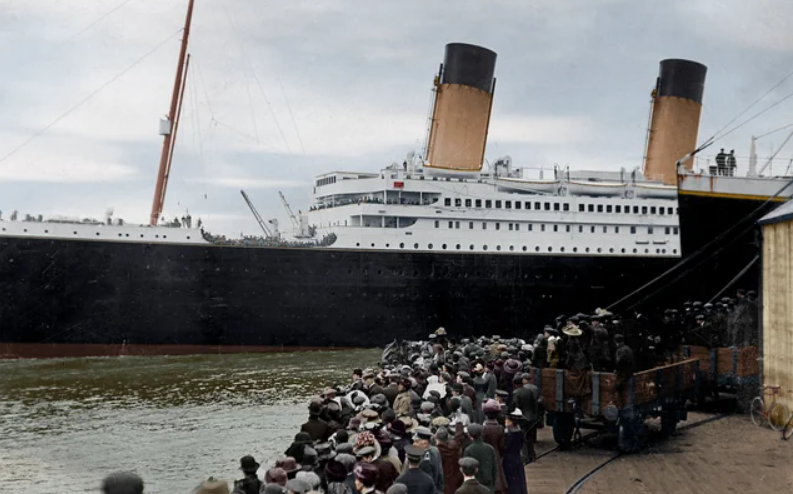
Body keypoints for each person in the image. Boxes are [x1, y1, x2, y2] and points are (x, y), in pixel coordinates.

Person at [462, 424, 499, 493]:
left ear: (470, 436)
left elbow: (466, 470)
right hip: (489, 482)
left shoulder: (468, 450)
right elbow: (494, 469)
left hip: (474, 485)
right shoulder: (490, 448)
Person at [481, 400, 507, 494]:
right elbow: (502, 446)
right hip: (496, 453)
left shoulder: (483, 428)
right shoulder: (500, 428)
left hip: (484, 455)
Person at [408, 426, 444, 494]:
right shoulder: (435, 449)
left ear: (425, 443)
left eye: (416, 442)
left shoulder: (424, 460)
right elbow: (440, 473)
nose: (413, 444)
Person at [502, 412, 527, 494]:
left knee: (511, 483)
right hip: (517, 459)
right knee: (519, 481)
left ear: (511, 422)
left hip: (509, 460)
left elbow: (505, 447)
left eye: (507, 419)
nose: (505, 420)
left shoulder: (509, 434)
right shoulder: (520, 432)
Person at [435, 425, 464, 494]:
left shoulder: (437, 450)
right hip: (455, 477)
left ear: (436, 436)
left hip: (443, 480)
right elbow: (458, 438)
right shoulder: (455, 446)